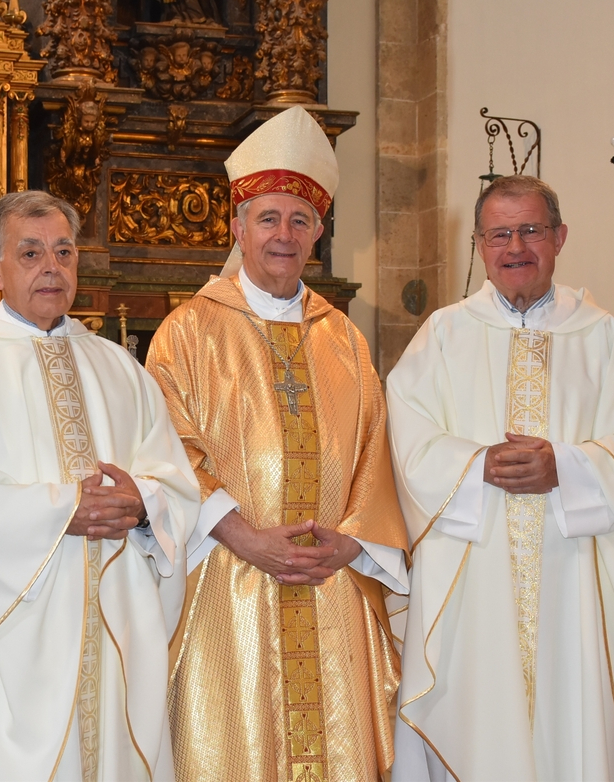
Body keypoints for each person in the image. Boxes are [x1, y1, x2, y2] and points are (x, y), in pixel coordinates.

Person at [146, 105, 410, 782]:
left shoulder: (344, 339)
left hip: (331, 582)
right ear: (238, 228)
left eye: (300, 220)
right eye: (268, 218)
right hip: (228, 584)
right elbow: (166, 452)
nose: (283, 235)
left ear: (318, 232)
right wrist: (243, 536)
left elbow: (375, 454)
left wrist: (353, 541)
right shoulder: (188, 332)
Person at [0, 190, 201, 781]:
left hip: (115, 621)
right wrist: (60, 511)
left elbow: (175, 478)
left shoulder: (120, 368)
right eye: (32, 253)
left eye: (64, 253)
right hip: (8, 630)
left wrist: (142, 504)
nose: (52, 268)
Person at [387, 175, 614, 780]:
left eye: (531, 230)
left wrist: (566, 467)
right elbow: (406, 440)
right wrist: (476, 464)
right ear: (480, 245)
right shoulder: (443, 335)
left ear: (560, 237)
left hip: (575, 578)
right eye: (500, 234)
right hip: (474, 578)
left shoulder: (600, 337)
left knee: (573, 728)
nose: (515, 246)